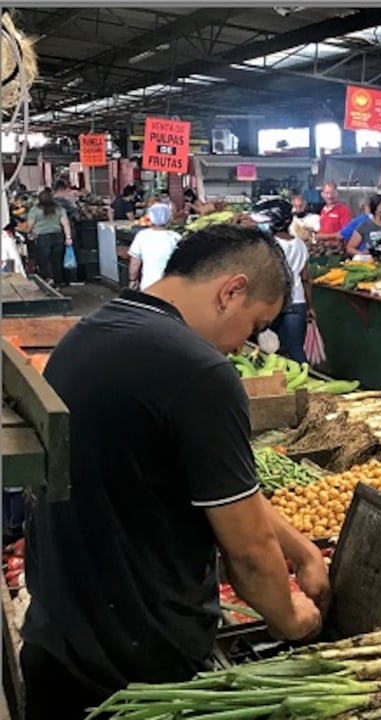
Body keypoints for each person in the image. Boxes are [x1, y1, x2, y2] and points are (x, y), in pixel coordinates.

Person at [23, 223, 326, 719]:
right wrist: (291, 620)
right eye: (254, 326)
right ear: (231, 292)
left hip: (60, 642)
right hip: (136, 673)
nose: (244, 346)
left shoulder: (92, 330)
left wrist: (302, 549)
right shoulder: (199, 371)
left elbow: (222, 490)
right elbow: (248, 553)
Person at [256, 199, 314, 363]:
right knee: (295, 349)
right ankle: (304, 376)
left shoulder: (267, 245)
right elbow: (305, 278)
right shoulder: (300, 244)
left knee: (269, 349)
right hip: (297, 302)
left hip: (272, 302)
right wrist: (310, 306)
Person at [127, 204, 181, 291]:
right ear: (169, 219)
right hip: (171, 287)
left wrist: (133, 279)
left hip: (149, 285)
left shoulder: (142, 236)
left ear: (150, 218)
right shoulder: (175, 237)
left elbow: (135, 263)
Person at [25, 189, 74, 286]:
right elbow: (66, 224)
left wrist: (28, 233)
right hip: (57, 236)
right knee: (56, 261)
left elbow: (29, 226)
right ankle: (58, 281)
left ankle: (48, 279)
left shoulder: (35, 210)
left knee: (44, 261)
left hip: (42, 238)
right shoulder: (59, 209)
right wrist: (68, 237)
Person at [315, 182, 353, 246]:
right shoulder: (323, 210)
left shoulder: (343, 210)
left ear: (337, 193)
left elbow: (345, 233)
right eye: (327, 193)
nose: (329, 196)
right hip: (323, 246)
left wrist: (323, 236)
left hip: (337, 248)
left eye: (332, 193)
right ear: (322, 194)